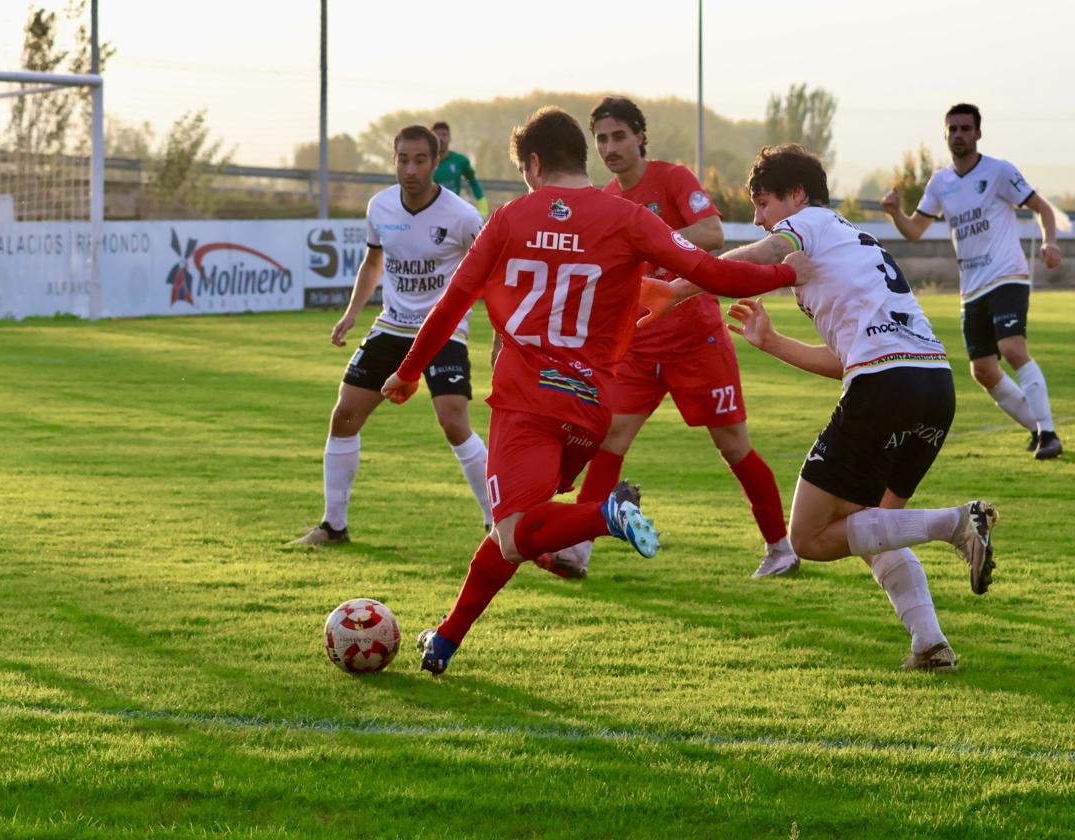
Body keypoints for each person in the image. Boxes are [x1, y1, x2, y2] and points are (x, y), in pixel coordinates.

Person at [381, 107, 798, 676]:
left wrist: (407, 372)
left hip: (528, 402)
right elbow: (712, 272)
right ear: (583, 154)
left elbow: (452, 301)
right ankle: (447, 639)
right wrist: (785, 272)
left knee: (515, 529)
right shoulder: (625, 216)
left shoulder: (508, 218)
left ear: (533, 164)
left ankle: (606, 515)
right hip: (591, 407)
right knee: (519, 532)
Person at [667, 143, 999, 670]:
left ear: (797, 195)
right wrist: (773, 343)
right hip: (934, 386)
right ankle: (930, 645)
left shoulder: (811, 224)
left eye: (763, 204)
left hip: (885, 385)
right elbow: (847, 358)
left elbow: (757, 258)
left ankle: (956, 523)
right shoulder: (854, 239)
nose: (757, 220)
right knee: (874, 527)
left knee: (809, 537)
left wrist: (677, 288)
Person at [545, 96, 795, 581]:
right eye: (601, 138)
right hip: (638, 342)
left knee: (732, 444)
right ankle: (577, 548)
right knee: (609, 438)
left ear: (641, 135)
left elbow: (713, 232)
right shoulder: (607, 198)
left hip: (694, 338)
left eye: (619, 135)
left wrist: (649, 237)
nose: (611, 146)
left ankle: (781, 547)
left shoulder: (673, 179)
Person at [293, 125, 491, 545]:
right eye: (404, 159)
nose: (411, 169)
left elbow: (489, 275)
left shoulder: (462, 217)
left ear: (436, 163)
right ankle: (333, 526)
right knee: (344, 416)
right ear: (394, 160)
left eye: (421, 160)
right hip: (392, 325)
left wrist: (504, 331)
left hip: (443, 330)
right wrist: (351, 313)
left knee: (453, 421)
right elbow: (372, 263)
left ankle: (499, 524)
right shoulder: (379, 207)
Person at [882, 103, 1063, 460]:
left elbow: (1041, 208)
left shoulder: (999, 171)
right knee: (982, 370)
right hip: (972, 287)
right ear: (945, 134)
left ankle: (1050, 434)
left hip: (1007, 274)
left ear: (978, 133)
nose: (959, 135)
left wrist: (1050, 241)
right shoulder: (940, 183)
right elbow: (915, 230)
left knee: (1012, 347)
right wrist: (895, 213)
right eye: (953, 129)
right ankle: (1037, 429)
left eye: (966, 128)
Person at [431, 121, 489, 216]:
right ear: (431, 139)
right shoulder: (423, 162)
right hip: (430, 212)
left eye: (444, 135)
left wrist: (483, 209)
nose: (440, 138)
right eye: (436, 135)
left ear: (450, 138)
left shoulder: (461, 161)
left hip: (453, 212)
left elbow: (473, 182)